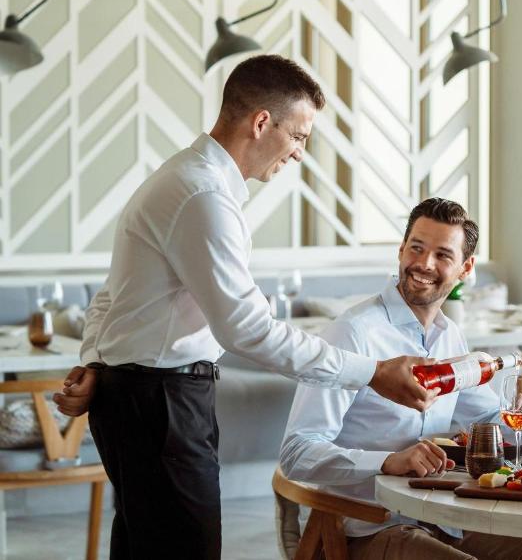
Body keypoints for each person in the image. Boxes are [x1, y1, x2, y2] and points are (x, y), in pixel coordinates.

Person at [52, 55, 438, 560]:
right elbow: (247, 329)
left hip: (143, 398)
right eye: (298, 136)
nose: (299, 153)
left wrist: (94, 362)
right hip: (161, 404)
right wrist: (372, 373)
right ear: (261, 122)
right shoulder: (203, 196)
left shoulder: (184, 178)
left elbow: (112, 293)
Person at [279, 197, 522, 560]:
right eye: (416, 248)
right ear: (401, 249)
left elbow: (485, 419)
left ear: (466, 268)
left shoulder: (450, 337)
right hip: (364, 527)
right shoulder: (352, 333)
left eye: (442, 255)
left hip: (443, 517)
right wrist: (387, 461)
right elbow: (297, 452)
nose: (424, 263)